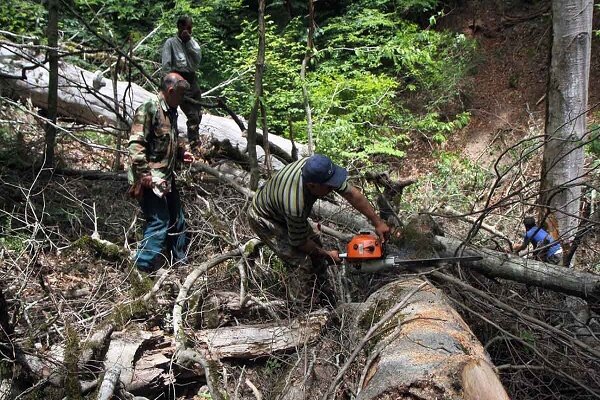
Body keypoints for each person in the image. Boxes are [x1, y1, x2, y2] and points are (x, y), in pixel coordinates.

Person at [248, 154, 391, 299]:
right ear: (312, 185)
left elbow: (351, 194)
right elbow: (300, 242)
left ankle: (323, 296)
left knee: (316, 246)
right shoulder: (295, 204)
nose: (333, 187)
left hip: (282, 209)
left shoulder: (317, 169)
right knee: (301, 261)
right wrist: (326, 254)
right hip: (265, 218)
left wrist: (378, 222)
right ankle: (303, 310)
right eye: (329, 186)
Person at [127, 73, 195, 273]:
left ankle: (180, 265)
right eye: (181, 94)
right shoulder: (149, 108)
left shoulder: (171, 111)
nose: (183, 100)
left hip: (166, 177)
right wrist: (145, 175)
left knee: (177, 219)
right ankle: (141, 269)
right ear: (170, 91)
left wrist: (181, 153)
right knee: (159, 221)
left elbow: (167, 140)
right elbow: (136, 144)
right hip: (150, 178)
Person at [161, 15, 203, 149]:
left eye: (190, 28)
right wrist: (167, 85)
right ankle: (194, 145)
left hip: (193, 80)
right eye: (185, 28)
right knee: (192, 116)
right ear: (179, 27)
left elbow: (197, 59)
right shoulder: (171, 43)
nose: (187, 31)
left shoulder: (193, 43)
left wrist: (189, 41)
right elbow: (166, 65)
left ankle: (193, 139)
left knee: (198, 113)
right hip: (179, 81)